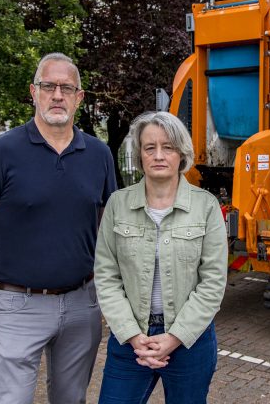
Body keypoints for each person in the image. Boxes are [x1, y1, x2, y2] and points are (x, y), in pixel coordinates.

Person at [0, 52, 117, 404]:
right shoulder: (2, 152)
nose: (57, 95)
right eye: (48, 86)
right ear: (33, 91)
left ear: (79, 97)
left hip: (81, 304)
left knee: (71, 399)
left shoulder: (99, 155)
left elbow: (110, 231)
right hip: (17, 305)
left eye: (66, 87)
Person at [95, 111, 228, 404]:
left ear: (181, 154)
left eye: (167, 147)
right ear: (139, 155)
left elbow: (213, 282)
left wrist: (174, 338)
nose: (158, 155)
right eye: (149, 147)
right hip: (131, 341)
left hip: (190, 341)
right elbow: (106, 276)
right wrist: (132, 336)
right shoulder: (118, 205)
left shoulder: (205, 207)